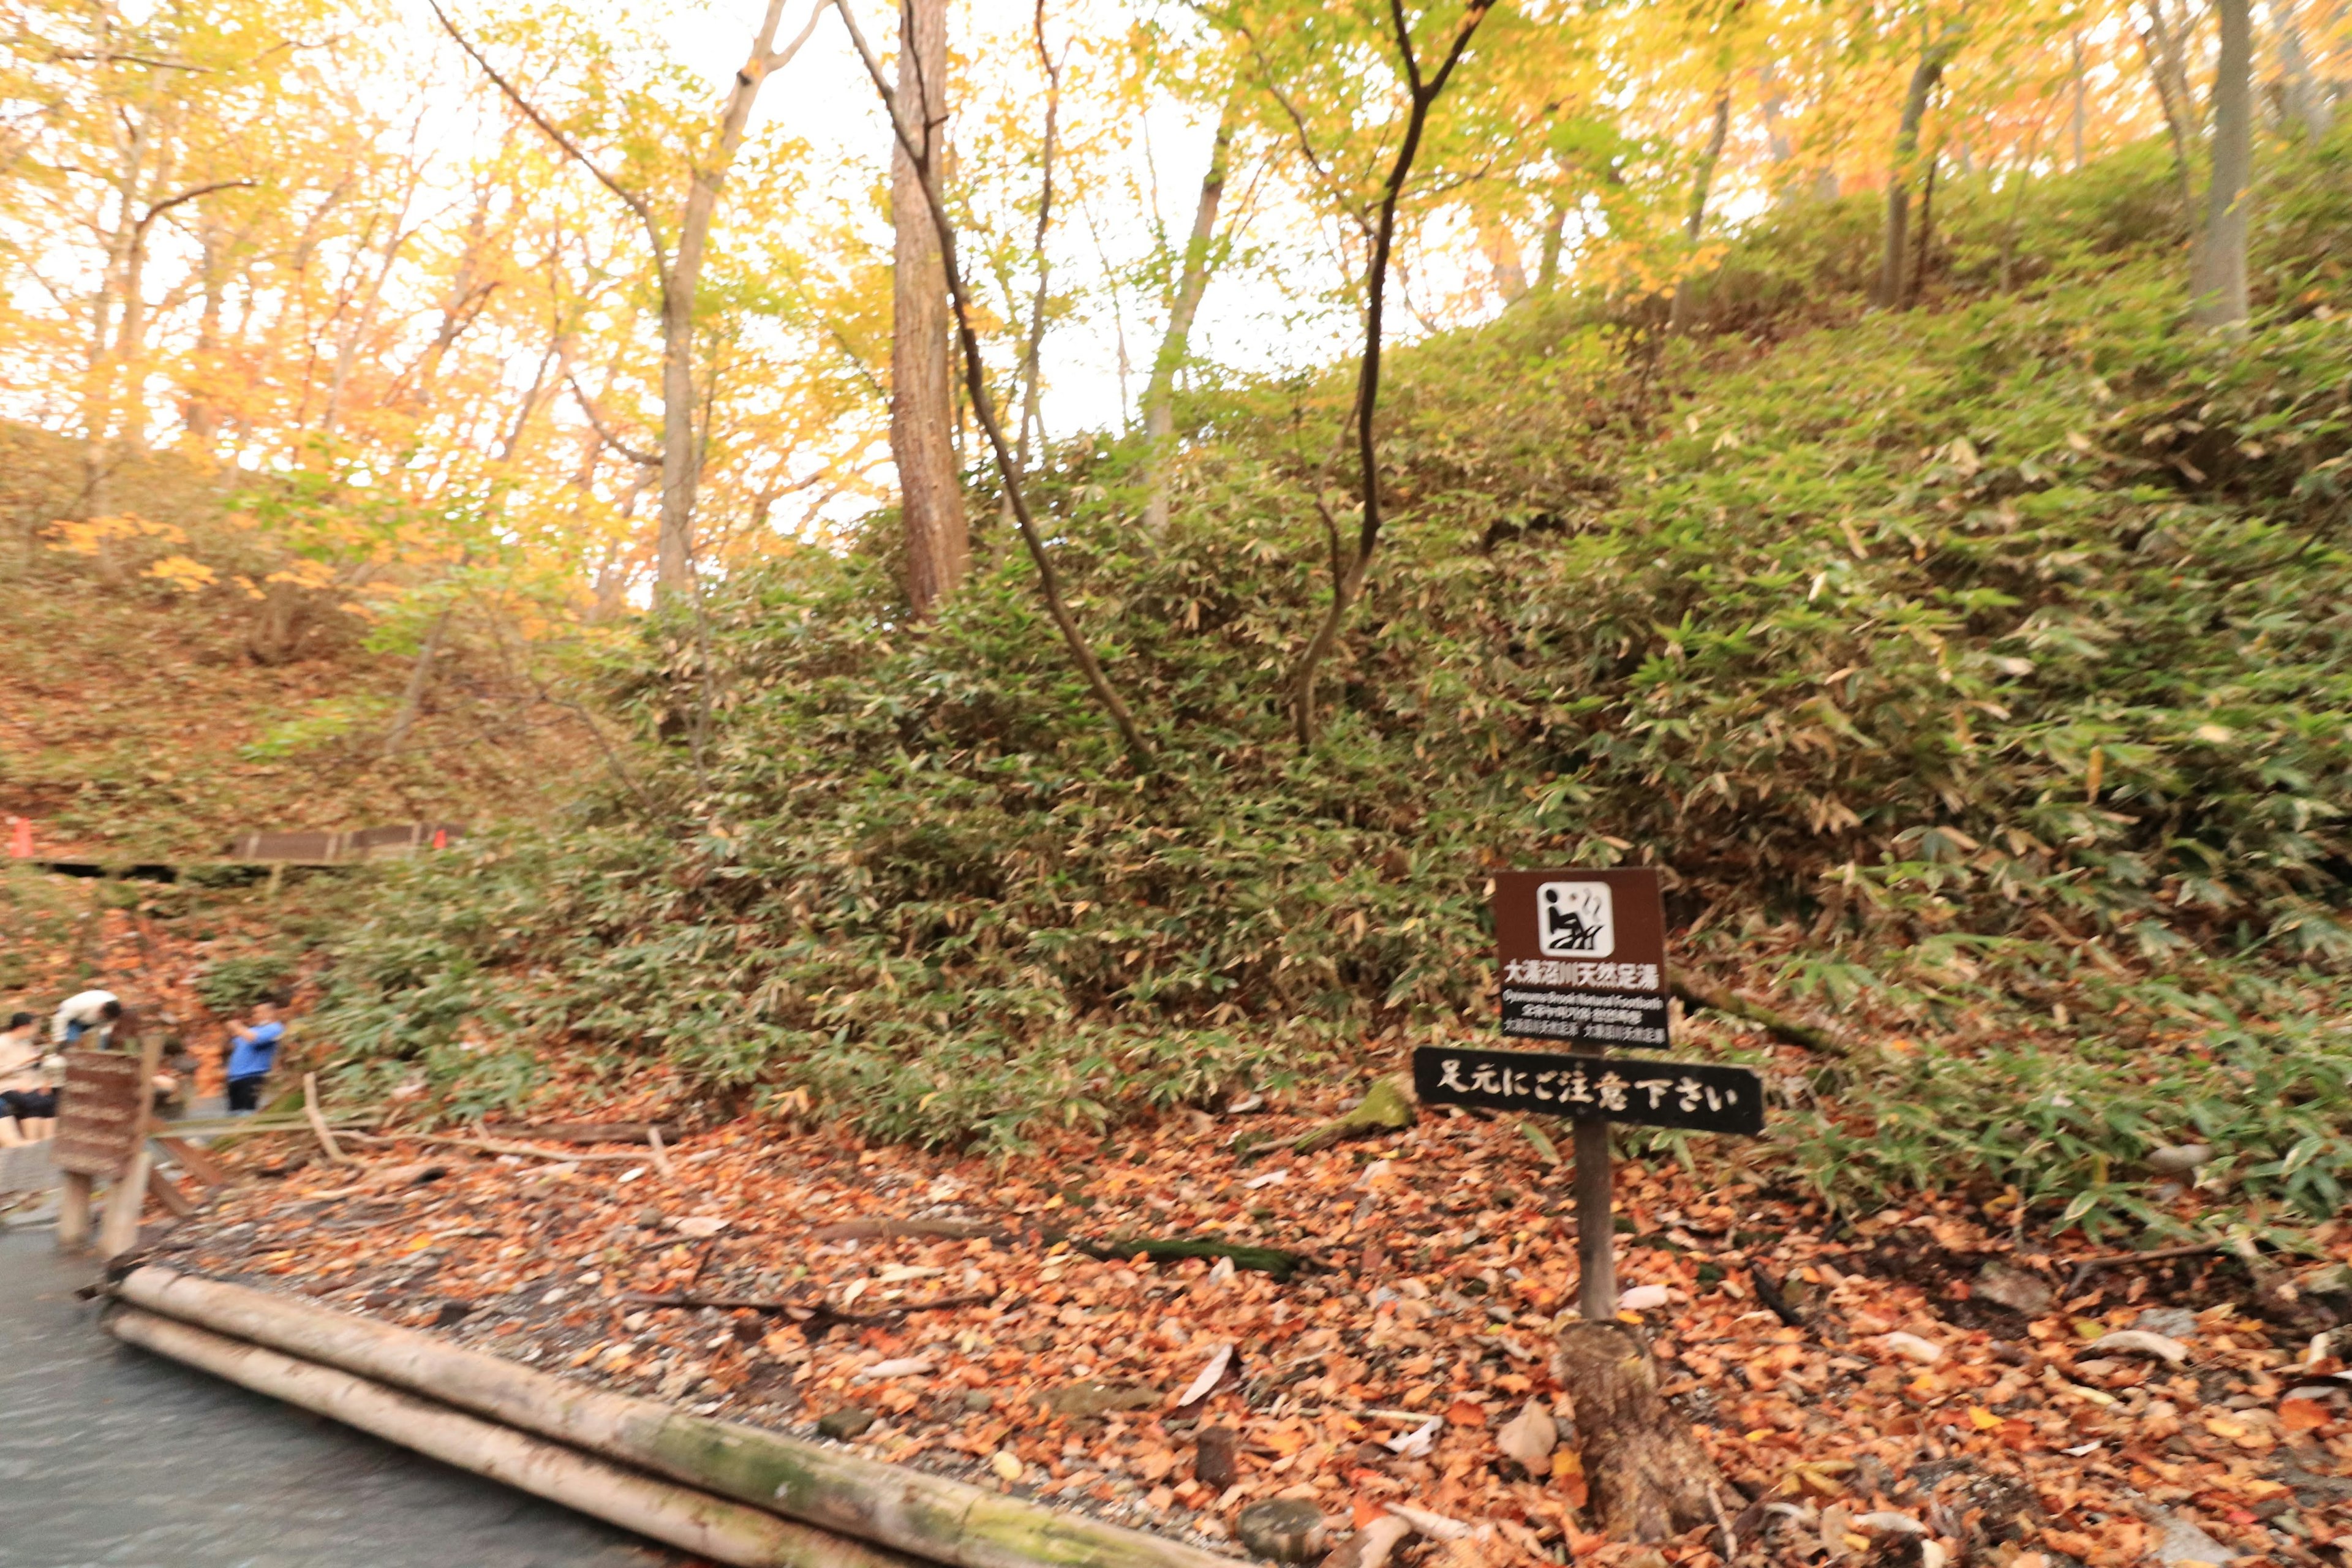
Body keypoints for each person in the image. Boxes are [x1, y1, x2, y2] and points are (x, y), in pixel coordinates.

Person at [0, 1011, 58, 1140]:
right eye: (35, 1027)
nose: (36, 1030)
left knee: (49, 1101)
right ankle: (32, 1144)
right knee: (33, 1102)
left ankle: (48, 1143)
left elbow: (32, 1069)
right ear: (23, 1027)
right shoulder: (2, 1043)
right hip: (6, 1086)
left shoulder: (25, 1043)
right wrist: (22, 1062)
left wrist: (43, 1082)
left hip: (26, 1084)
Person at [224, 1002, 285, 1114]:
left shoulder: (275, 1028)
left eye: (259, 1012)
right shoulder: (253, 1029)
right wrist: (231, 1031)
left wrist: (238, 1027)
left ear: (271, 1013)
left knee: (247, 1114)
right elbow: (231, 1046)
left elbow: (255, 1039)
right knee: (234, 1115)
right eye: (255, 1013)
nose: (256, 1015)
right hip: (236, 1078)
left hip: (252, 1077)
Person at [51, 988, 122, 1046]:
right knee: (71, 1043)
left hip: (91, 1023)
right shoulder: (81, 1005)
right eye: (102, 1014)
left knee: (100, 1043)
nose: (101, 1016)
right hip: (73, 1019)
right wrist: (59, 1038)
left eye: (106, 1017)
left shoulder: (115, 1009)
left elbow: (107, 1027)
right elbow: (60, 1018)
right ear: (102, 1007)